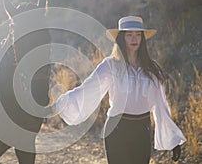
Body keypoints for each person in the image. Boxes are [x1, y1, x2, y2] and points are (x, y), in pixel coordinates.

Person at [53, 16, 186, 164]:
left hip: (142, 130)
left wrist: (173, 140)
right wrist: (63, 103)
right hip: (116, 129)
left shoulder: (152, 69)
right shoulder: (111, 66)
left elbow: (161, 105)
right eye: (129, 35)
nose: (134, 39)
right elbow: (89, 88)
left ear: (142, 38)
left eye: (137, 34)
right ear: (121, 38)